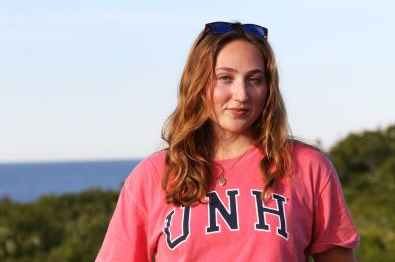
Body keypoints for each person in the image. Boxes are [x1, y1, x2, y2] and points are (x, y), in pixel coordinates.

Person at [96, 22, 360, 262]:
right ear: (198, 84)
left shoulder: (308, 168)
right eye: (225, 78)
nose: (241, 94)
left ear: (269, 89)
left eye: (255, 80)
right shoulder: (152, 177)